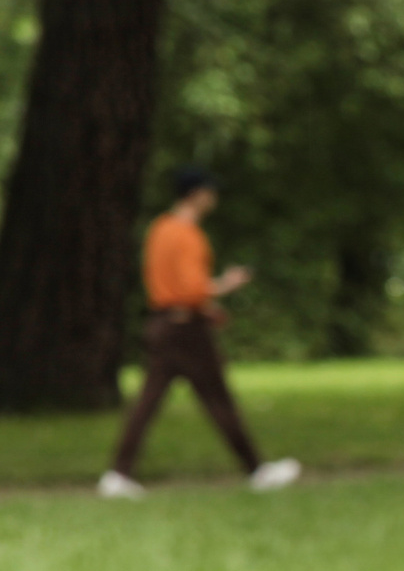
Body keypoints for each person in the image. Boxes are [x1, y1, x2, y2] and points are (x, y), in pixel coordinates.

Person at [99, 166, 300, 497]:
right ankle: (257, 470)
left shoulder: (159, 229)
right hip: (187, 331)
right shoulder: (188, 235)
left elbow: (165, 284)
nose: (214, 198)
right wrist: (226, 285)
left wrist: (204, 308)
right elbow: (192, 289)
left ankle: (118, 474)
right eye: (210, 192)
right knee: (217, 398)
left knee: (148, 401)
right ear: (197, 194)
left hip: (162, 323)